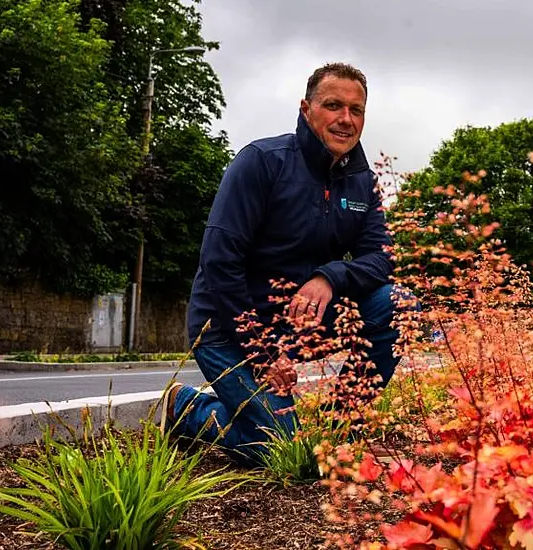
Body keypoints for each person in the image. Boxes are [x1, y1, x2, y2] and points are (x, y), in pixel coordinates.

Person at [161, 62, 414, 466]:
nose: (345, 119)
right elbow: (219, 264)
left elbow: (381, 258)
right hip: (228, 329)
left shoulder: (363, 182)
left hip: (299, 323)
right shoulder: (261, 162)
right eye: (333, 105)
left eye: (356, 109)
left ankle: (339, 431)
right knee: (284, 450)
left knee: (400, 303)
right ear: (306, 109)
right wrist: (263, 354)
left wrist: (329, 277)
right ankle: (189, 411)